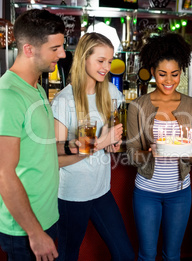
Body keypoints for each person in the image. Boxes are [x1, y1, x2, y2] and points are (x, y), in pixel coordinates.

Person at [0, 9, 65, 261]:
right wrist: (35, 232)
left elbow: (42, 153)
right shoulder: (6, 97)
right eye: (55, 48)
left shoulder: (35, 87)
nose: (62, 54)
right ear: (29, 49)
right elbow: (3, 174)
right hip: (24, 230)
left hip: (45, 217)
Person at [51, 32, 135, 261]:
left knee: (125, 254)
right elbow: (56, 156)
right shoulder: (64, 100)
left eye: (109, 61)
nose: (106, 67)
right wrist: (101, 143)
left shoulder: (112, 93)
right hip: (71, 194)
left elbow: (114, 136)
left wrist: (114, 143)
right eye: (100, 60)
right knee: (68, 255)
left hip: (100, 190)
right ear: (83, 58)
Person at [126, 33, 192, 261]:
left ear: (182, 72)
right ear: (152, 72)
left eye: (175, 74)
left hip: (180, 194)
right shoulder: (138, 107)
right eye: (162, 74)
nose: (168, 80)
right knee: (147, 255)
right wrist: (148, 154)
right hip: (147, 192)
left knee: (172, 255)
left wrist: (191, 155)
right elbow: (132, 154)